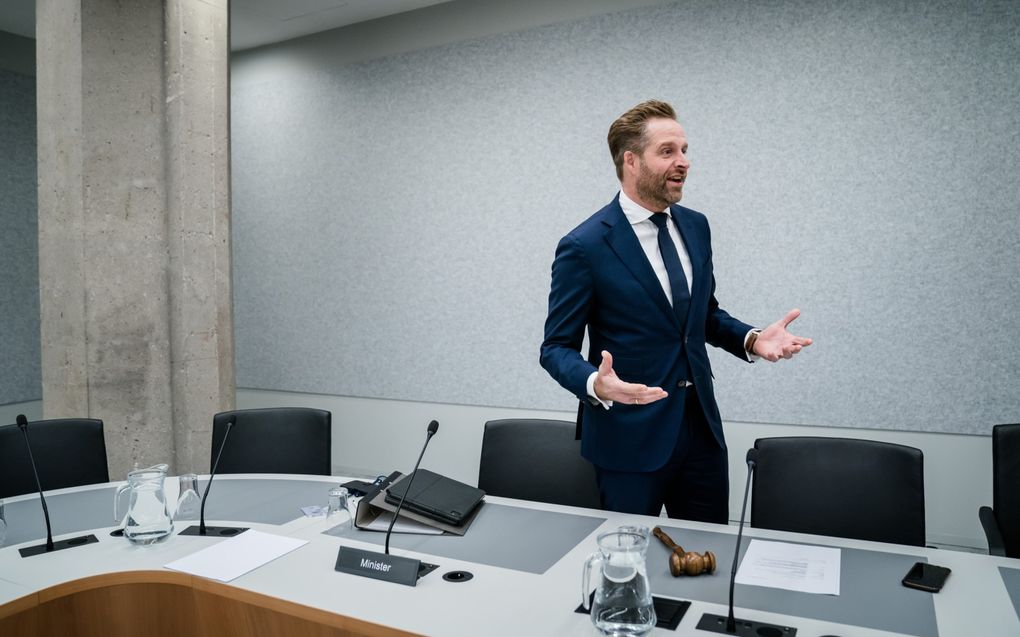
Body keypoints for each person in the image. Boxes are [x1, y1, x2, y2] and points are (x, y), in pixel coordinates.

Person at [540, 99, 811, 523]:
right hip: (628, 437)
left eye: (684, 150)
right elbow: (555, 347)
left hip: (701, 433)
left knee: (707, 564)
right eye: (667, 151)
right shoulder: (584, 246)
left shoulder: (696, 225)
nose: (683, 162)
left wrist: (753, 339)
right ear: (631, 160)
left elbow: (702, 318)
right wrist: (595, 383)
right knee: (628, 570)